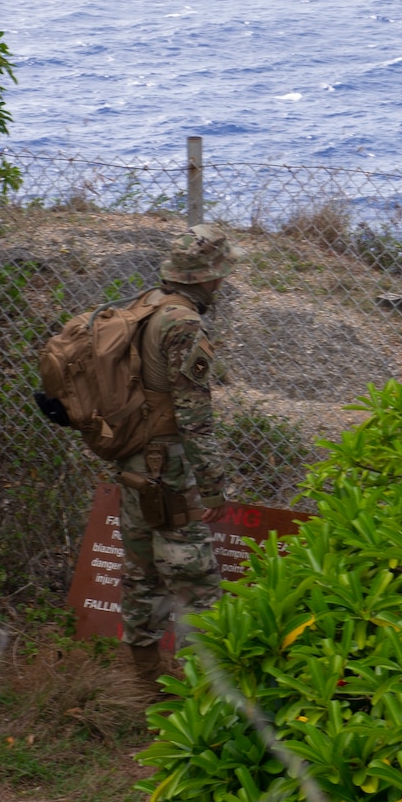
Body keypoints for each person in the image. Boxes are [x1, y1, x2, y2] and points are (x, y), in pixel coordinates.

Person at [118, 223, 234, 696]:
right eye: (220, 274)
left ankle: (146, 688)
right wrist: (212, 484)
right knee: (196, 581)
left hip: (132, 460)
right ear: (207, 276)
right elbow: (193, 413)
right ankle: (198, 698)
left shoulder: (143, 305)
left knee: (141, 573)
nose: (222, 283)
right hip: (170, 467)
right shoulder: (184, 323)